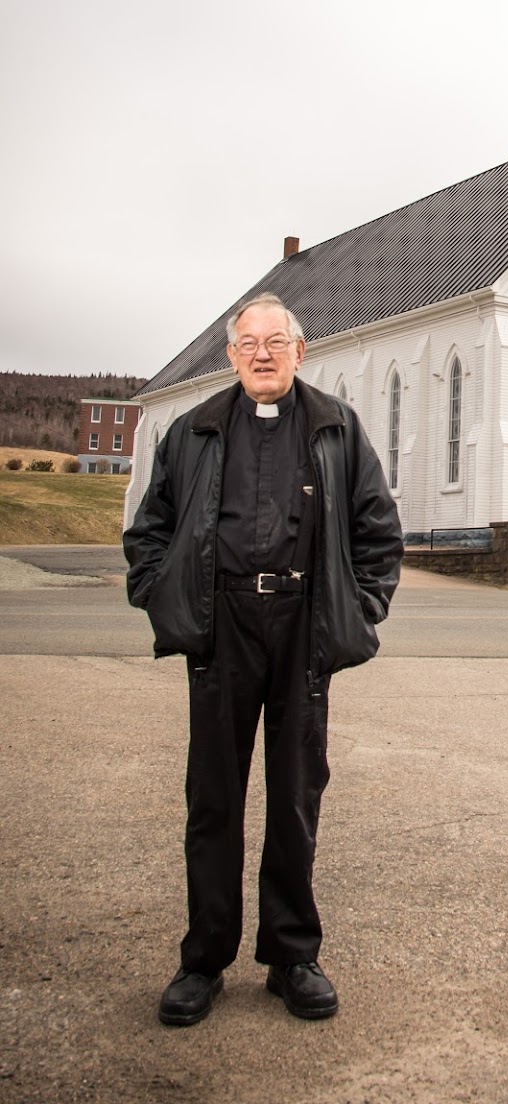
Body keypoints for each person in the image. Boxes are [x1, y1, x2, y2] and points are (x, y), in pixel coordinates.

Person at [124, 292, 403, 1026]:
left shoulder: (338, 429)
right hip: (223, 629)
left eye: (275, 342)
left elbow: (379, 532)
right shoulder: (194, 431)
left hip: (301, 631)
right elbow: (148, 530)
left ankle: (292, 955)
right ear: (231, 355)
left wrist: (360, 606)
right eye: (248, 343)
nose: (262, 354)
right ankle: (203, 960)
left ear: (300, 351)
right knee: (211, 800)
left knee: (296, 798)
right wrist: (164, 598)